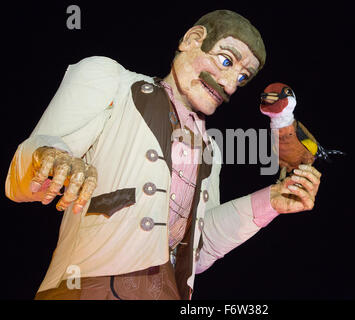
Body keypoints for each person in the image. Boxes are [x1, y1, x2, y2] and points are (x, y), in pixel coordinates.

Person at [5, 10, 321, 300]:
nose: (229, 85)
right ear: (192, 40)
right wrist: (52, 156)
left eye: (241, 78)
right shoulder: (111, 81)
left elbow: (197, 250)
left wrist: (272, 201)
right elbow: (26, 175)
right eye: (226, 61)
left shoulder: (211, 151)